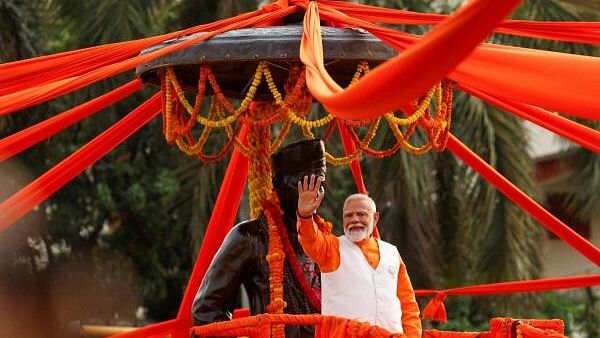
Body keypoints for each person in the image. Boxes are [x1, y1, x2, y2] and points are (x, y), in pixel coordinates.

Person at [192, 139, 327, 338]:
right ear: (278, 184)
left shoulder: (325, 240)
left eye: (319, 180)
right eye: (304, 182)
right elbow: (206, 310)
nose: (312, 190)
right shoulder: (250, 236)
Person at [296, 174, 422, 337]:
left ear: (375, 218)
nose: (355, 220)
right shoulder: (332, 247)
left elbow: (408, 304)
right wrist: (305, 216)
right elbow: (310, 240)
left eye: (361, 214)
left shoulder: (391, 252)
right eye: (349, 215)